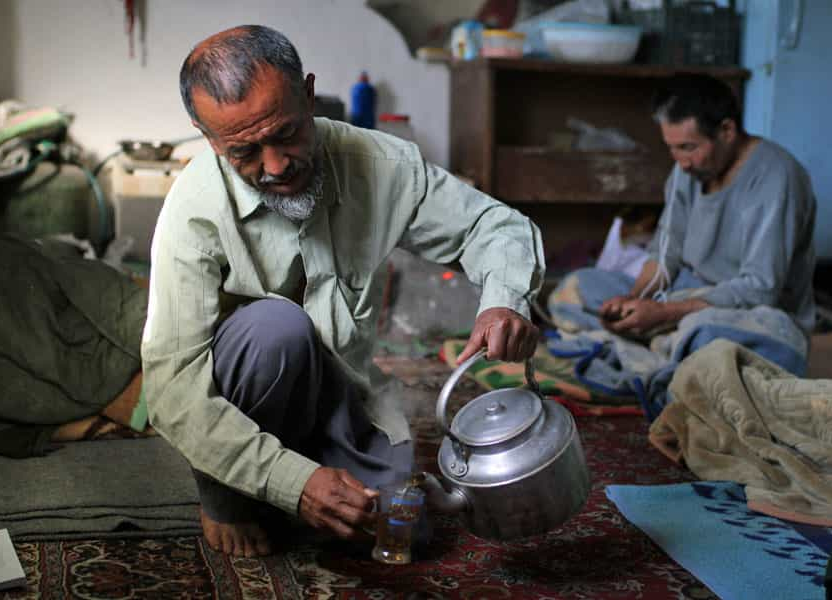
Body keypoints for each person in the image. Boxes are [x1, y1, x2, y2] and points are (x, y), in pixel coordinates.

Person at [141, 25, 544, 557]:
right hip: (252, 396)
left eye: (286, 133)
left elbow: (496, 228)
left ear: (309, 94)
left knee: (401, 532)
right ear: (208, 138)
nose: (276, 166)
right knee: (276, 330)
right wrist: (296, 484)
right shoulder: (194, 210)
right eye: (245, 152)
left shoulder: (381, 165)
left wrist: (502, 301)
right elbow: (174, 390)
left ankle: (298, 486)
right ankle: (228, 497)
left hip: (342, 397)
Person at [550, 73, 816, 342]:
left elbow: (760, 290)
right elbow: (666, 252)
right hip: (687, 294)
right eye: (672, 148)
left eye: (688, 147)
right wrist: (633, 300)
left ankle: (655, 346)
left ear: (727, 131)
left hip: (753, 312)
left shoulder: (776, 177)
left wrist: (665, 313)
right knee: (575, 290)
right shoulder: (686, 170)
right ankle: (657, 345)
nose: (682, 162)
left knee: (705, 333)